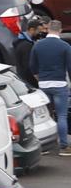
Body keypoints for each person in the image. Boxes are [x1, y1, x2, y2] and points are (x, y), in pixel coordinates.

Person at [32, 19, 71, 151]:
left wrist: (39, 79)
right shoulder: (65, 46)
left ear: (48, 29)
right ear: (60, 30)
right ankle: (64, 146)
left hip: (43, 84)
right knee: (62, 116)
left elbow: (32, 66)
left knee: (45, 117)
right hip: (60, 84)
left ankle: (46, 147)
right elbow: (70, 68)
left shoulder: (37, 45)